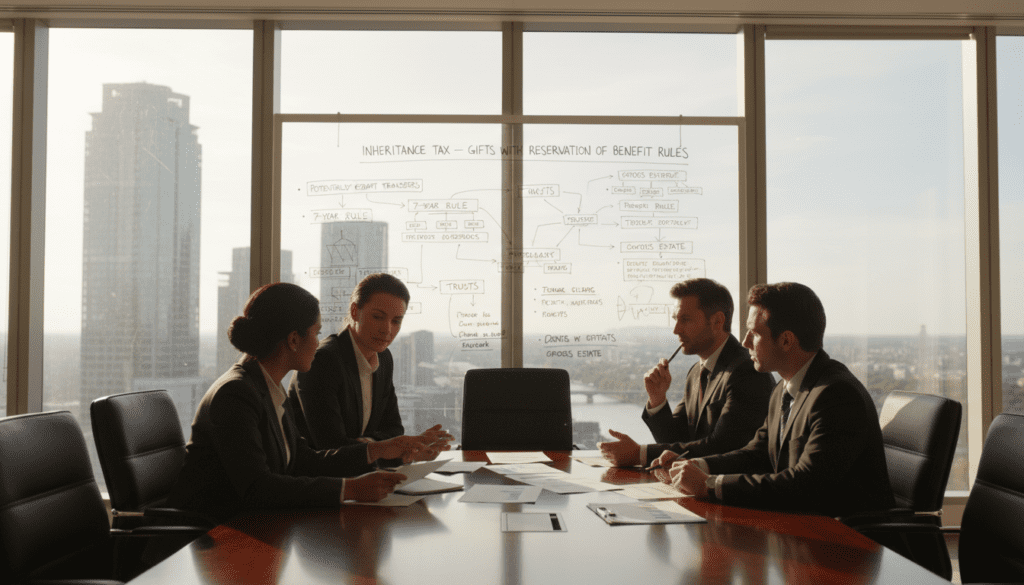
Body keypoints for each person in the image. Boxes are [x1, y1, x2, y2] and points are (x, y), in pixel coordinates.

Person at [167, 282, 431, 522]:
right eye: (316, 333)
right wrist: (350, 489)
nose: (318, 344)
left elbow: (303, 460)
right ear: (294, 339)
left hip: (255, 524)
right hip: (210, 539)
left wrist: (376, 451)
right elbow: (257, 487)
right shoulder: (236, 394)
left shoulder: (264, 385)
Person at [668, 282, 895, 518]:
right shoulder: (783, 390)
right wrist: (700, 466)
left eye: (754, 334)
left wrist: (711, 485)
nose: (745, 343)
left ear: (786, 341)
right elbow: (757, 453)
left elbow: (805, 484)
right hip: (799, 527)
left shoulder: (836, 395)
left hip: (845, 541)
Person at [598, 278, 773, 467]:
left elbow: (723, 446)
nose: (676, 330)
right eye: (675, 319)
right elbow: (676, 440)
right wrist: (657, 400)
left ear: (717, 321)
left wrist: (640, 454)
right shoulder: (696, 371)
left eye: (685, 320)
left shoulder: (747, 371)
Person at [289, 273, 452, 459]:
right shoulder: (324, 361)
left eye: (396, 321)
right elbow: (331, 446)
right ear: (354, 312)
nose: (387, 329)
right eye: (378, 317)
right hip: (321, 480)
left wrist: (377, 445)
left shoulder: (383, 358)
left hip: (365, 475)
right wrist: (385, 447)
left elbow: (395, 429)